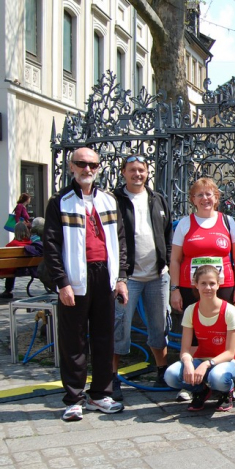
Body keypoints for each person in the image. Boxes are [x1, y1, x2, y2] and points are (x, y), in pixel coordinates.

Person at [44, 147, 128, 421]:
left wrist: (122, 278)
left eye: (92, 164)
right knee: (73, 340)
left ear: (99, 168)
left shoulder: (108, 200)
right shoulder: (60, 201)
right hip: (75, 279)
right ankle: (73, 398)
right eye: (81, 164)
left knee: (104, 338)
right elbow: (52, 246)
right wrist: (62, 282)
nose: (87, 169)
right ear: (71, 167)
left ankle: (100, 394)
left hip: (105, 276)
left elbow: (121, 242)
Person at [111, 155, 172, 400]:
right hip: (127, 277)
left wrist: (166, 262)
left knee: (160, 327)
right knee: (119, 327)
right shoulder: (114, 200)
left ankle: (162, 372)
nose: (138, 174)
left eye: (142, 170)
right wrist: (118, 275)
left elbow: (168, 234)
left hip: (157, 276)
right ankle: (111, 379)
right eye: (132, 170)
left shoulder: (158, 199)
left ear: (148, 173)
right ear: (123, 172)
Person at [164, 265, 235, 412]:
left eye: (212, 283)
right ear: (196, 285)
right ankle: (200, 390)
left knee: (217, 378)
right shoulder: (191, 310)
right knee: (171, 376)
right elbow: (185, 349)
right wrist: (187, 363)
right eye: (203, 283)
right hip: (199, 360)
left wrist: (206, 365)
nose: (208, 288)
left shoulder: (229, 310)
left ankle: (227, 391)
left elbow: (230, 353)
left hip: (226, 362)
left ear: (218, 285)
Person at [169, 177, 235, 312]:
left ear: (216, 198)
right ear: (193, 199)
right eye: (200, 195)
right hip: (191, 287)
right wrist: (174, 289)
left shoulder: (228, 221)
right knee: (192, 328)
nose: (205, 198)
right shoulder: (184, 223)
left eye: (209, 194)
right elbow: (175, 260)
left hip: (223, 285)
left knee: (222, 327)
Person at [0, 223, 33, 298]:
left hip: (9, 269)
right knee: (12, 266)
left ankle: (8, 290)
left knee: (9, 266)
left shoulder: (12, 244)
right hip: (23, 269)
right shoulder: (30, 244)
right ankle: (8, 290)